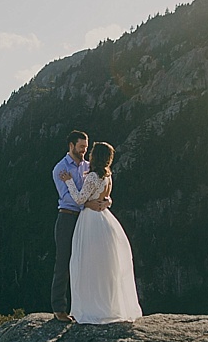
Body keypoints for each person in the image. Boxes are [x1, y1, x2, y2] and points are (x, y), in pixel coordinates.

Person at [58, 142, 142, 324]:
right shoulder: (108, 176)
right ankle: (108, 304)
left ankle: (91, 307)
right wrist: (106, 202)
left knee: (87, 265)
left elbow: (80, 198)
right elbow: (106, 198)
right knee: (105, 267)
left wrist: (69, 181)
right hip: (105, 219)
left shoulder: (93, 176)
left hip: (90, 221)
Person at [51, 130, 110, 322]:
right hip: (68, 218)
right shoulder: (60, 168)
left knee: (86, 264)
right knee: (63, 262)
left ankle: (84, 307)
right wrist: (88, 203)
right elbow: (67, 198)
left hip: (87, 220)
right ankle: (59, 308)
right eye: (81, 147)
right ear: (71, 146)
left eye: (87, 147)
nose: (85, 150)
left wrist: (104, 202)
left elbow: (100, 191)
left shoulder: (89, 166)